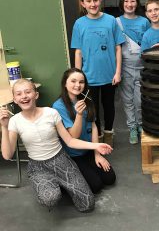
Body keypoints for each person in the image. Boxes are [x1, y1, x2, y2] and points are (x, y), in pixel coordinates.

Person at [0, 79, 112, 212]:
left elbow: (70, 141)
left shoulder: (51, 113)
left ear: (36, 95)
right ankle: (54, 185)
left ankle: (62, 184)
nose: (24, 96)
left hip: (61, 160)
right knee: (50, 198)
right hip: (38, 167)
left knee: (87, 204)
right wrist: (5, 128)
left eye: (28, 92)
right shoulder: (14, 121)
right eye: (19, 94)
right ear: (15, 99)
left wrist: (96, 146)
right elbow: (7, 155)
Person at [71, 0, 126, 146]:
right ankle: (98, 134)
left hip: (109, 75)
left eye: (95, 0)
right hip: (88, 77)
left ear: (100, 0)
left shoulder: (110, 21)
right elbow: (78, 52)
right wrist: (78, 76)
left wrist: (117, 72)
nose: (93, 4)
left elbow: (118, 48)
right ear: (83, 3)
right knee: (92, 109)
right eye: (88, 1)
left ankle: (109, 133)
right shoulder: (79, 24)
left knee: (109, 106)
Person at [52, 68, 116, 194]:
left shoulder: (88, 100)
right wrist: (79, 115)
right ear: (65, 83)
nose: (77, 85)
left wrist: (97, 154)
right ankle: (62, 179)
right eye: (73, 81)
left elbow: (93, 126)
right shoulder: (58, 106)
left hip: (89, 150)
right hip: (73, 155)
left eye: (81, 82)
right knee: (95, 186)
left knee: (109, 179)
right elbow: (73, 137)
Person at [116, 0, 150, 144]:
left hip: (143, 68)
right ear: (122, 4)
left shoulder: (144, 22)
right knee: (127, 100)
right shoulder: (116, 22)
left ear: (137, 3)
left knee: (140, 100)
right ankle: (132, 128)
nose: (129, 4)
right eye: (126, 1)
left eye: (132, 1)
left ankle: (142, 125)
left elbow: (149, 44)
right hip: (125, 68)